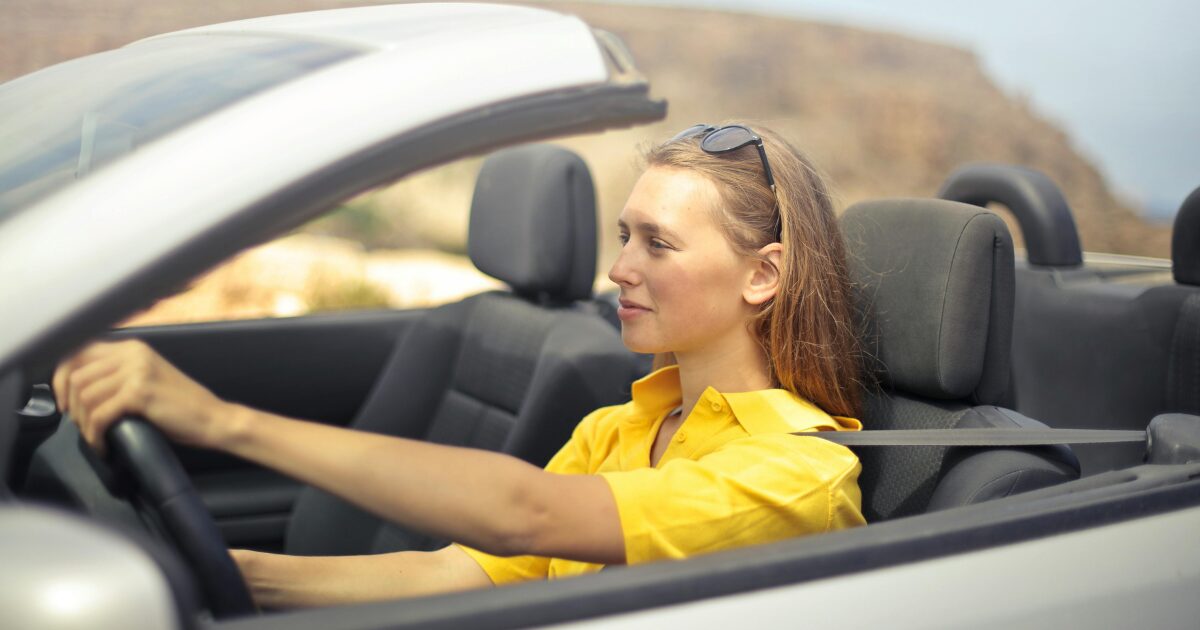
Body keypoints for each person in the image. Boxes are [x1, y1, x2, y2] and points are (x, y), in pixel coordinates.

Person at [52, 123, 867, 608]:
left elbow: (528, 515)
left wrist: (223, 423)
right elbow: (458, 573)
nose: (620, 268)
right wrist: (216, 573)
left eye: (658, 244)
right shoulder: (620, 428)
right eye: (625, 236)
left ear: (763, 274)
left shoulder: (796, 472)